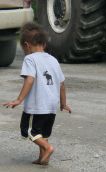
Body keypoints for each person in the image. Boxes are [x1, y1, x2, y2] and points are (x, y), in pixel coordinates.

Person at [3, 22, 71, 165]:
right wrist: (63, 103)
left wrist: (19, 99)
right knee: (43, 134)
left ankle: (48, 148)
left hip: (37, 106)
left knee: (29, 131)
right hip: (51, 106)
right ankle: (42, 159)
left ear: (26, 45)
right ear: (44, 44)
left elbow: (29, 79)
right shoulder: (53, 60)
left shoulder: (30, 59)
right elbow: (62, 84)